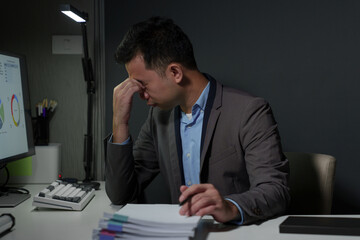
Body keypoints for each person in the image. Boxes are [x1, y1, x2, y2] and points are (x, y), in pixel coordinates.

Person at [105, 16, 290, 225]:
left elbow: (276, 190)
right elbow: (121, 194)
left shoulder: (249, 112)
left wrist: (229, 206)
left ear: (175, 72)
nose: (141, 95)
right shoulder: (158, 118)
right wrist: (119, 122)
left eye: (143, 85)